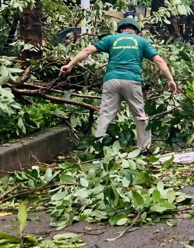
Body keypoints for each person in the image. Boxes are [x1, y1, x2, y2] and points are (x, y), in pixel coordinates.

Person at [59, 17, 179, 155]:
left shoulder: (111, 39)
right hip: (131, 80)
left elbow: (87, 50)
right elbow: (158, 59)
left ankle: (97, 147)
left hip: (111, 80)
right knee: (139, 114)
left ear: (121, 29)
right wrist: (170, 80)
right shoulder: (142, 41)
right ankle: (144, 149)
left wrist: (70, 65)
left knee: (106, 113)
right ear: (137, 31)